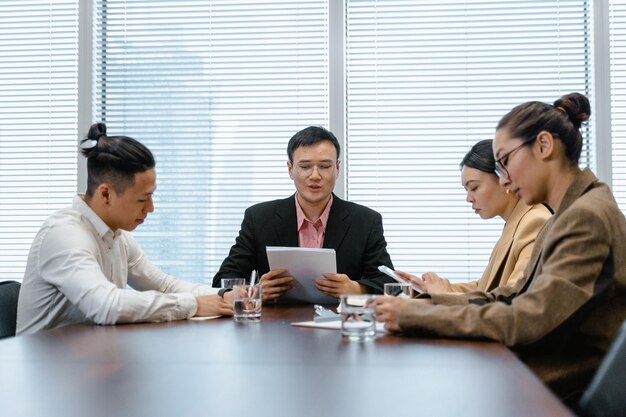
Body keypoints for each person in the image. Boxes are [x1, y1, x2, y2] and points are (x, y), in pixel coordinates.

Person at [372, 93, 626, 403]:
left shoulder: (586, 216)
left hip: (556, 390)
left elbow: (529, 319)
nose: (504, 180)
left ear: (544, 146)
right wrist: (425, 305)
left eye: (505, 161)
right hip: (535, 375)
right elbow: (510, 295)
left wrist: (416, 317)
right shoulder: (565, 215)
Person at [17, 123, 233, 335]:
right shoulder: (64, 235)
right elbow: (106, 306)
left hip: (91, 360)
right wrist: (192, 304)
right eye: (142, 198)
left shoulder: (117, 235)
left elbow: (164, 286)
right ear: (105, 194)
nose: (151, 208)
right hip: (46, 366)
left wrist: (226, 295)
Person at [212, 126, 395, 301]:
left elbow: (389, 283)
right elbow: (224, 279)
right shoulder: (259, 218)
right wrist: (256, 291)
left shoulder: (366, 221)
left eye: (324, 166)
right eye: (305, 166)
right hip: (275, 327)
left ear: (337, 169)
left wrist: (356, 289)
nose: (315, 175)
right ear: (290, 169)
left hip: (340, 324)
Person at [413, 139, 551, 293]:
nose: (468, 198)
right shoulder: (515, 223)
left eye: (474, 187)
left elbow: (513, 298)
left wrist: (444, 295)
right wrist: (430, 289)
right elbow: (484, 288)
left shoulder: (534, 222)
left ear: (505, 179)